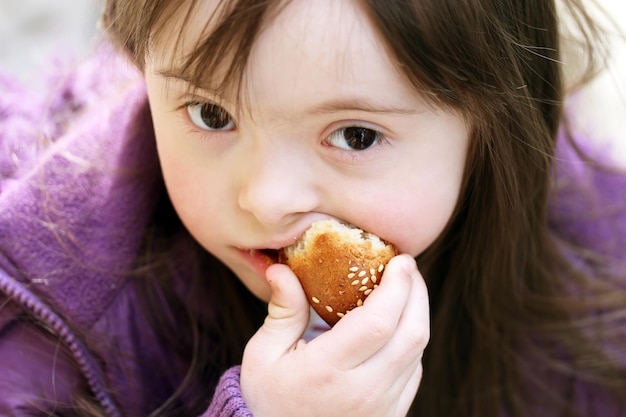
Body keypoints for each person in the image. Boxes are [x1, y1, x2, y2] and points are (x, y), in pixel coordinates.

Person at [0, 0, 624, 415]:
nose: (266, 200)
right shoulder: (48, 316)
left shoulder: (605, 273)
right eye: (212, 114)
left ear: (489, 130)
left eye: (355, 135)